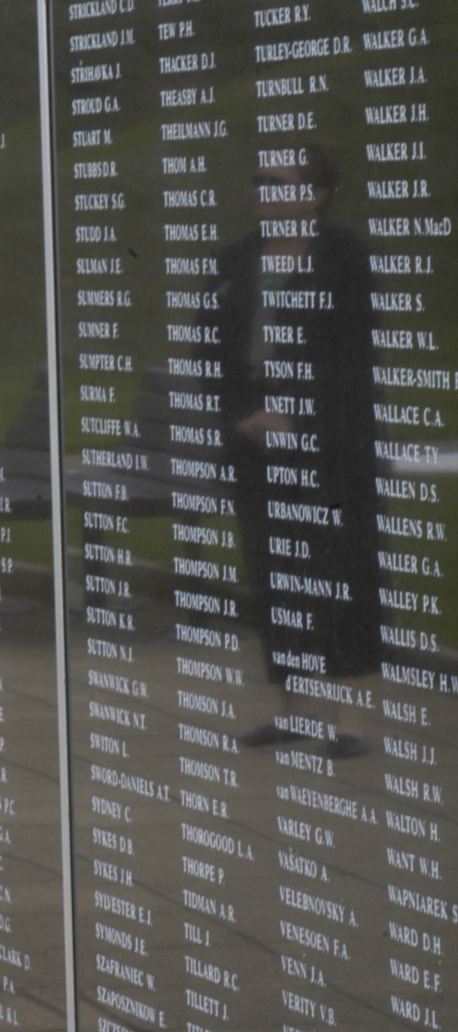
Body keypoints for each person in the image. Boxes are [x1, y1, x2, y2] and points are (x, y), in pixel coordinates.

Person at [212, 139, 382, 757]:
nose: (265, 193)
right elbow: (211, 350)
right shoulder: (235, 260)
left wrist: (298, 413)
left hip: (331, 448)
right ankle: (293, 712)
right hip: (257, 446)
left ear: (317, 194)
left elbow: (349, 354)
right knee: (275, 573)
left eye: (280, 182)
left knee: (338, 571)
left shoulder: (343, 256)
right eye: (259, 181)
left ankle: (349, 721)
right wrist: (243, 416)